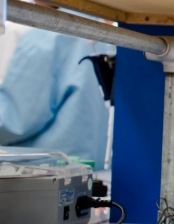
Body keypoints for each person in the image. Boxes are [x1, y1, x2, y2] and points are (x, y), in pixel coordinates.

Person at [0, 17, 109, 168]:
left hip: (45, 172)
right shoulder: (106, 35)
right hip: (95, 167)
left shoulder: (45, 37)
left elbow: (15, 120)